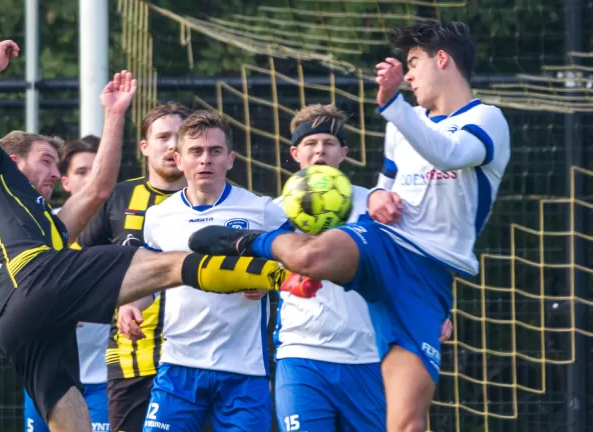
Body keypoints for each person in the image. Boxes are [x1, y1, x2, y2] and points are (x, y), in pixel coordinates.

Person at [0, 40, 292, 432]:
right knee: (169, 264)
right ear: (13, 161)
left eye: (57, 166)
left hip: (9, 321)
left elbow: (97, 191)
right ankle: (282, 277)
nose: (56, 175)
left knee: (66, 410)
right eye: (45, 161)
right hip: (30, 277)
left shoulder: (40, 221)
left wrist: (113, 115)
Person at [188, 20, 510, 432]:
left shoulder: (487, 119)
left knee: (407, 424)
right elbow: (386, 187)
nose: (408, 75)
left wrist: (393, 105)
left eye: (413, 63)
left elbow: (449, 154)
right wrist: (378, 195)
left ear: (442, 59)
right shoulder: (402, 122)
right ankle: (248, 242)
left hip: (425, 277)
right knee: (309, 255)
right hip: (385, 244)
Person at [272, 103, 453, 432]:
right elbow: (252, 269)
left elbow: (411, 265)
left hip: (369, 357)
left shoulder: (375, 204)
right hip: (302, 354)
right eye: (311, 145)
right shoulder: (274, 212)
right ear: (295, 153)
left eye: (328, 144)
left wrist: (436, 310)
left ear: (343, 152)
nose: (319, 151)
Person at [120, 110, 290, 432]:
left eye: (215, 151)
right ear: (179, 159)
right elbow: (150, 281)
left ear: (230, 159)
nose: (205, 160)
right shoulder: (158, 217)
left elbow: (297, 256)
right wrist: (131, 306)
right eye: (195, 152)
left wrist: (268, 280)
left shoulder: (261, 209)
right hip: (179, 367)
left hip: (244, 370)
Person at [76, 102, 191, 432]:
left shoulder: (214, 200)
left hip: (199, 360)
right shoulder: (117, 198)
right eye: (163, 136)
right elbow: (81, 261)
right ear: (144, 146)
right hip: (130, 361)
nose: (171, 145)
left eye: (179, 136)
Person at [23, 136, 111, 432]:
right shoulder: (41, 227)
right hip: (45, 373)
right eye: (81, 172)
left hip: (105, 377)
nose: (90, 179)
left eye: (97, 169)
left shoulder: (125, 228)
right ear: (65, 181)